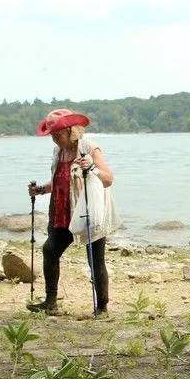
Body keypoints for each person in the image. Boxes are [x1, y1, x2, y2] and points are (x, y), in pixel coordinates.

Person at [27, 108, 114, 316]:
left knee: (95, 259)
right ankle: (50, 302)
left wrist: (92, 167)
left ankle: (102, 307)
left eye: (59, 134)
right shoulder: (58, 152)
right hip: (63, 212)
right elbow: (61, 181)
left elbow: (108, 179)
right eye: (52, 136)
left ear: (72, 131)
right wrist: (41, 190)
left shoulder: (88, 148)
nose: (56, 139)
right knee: (50, 250)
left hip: (88, 210)